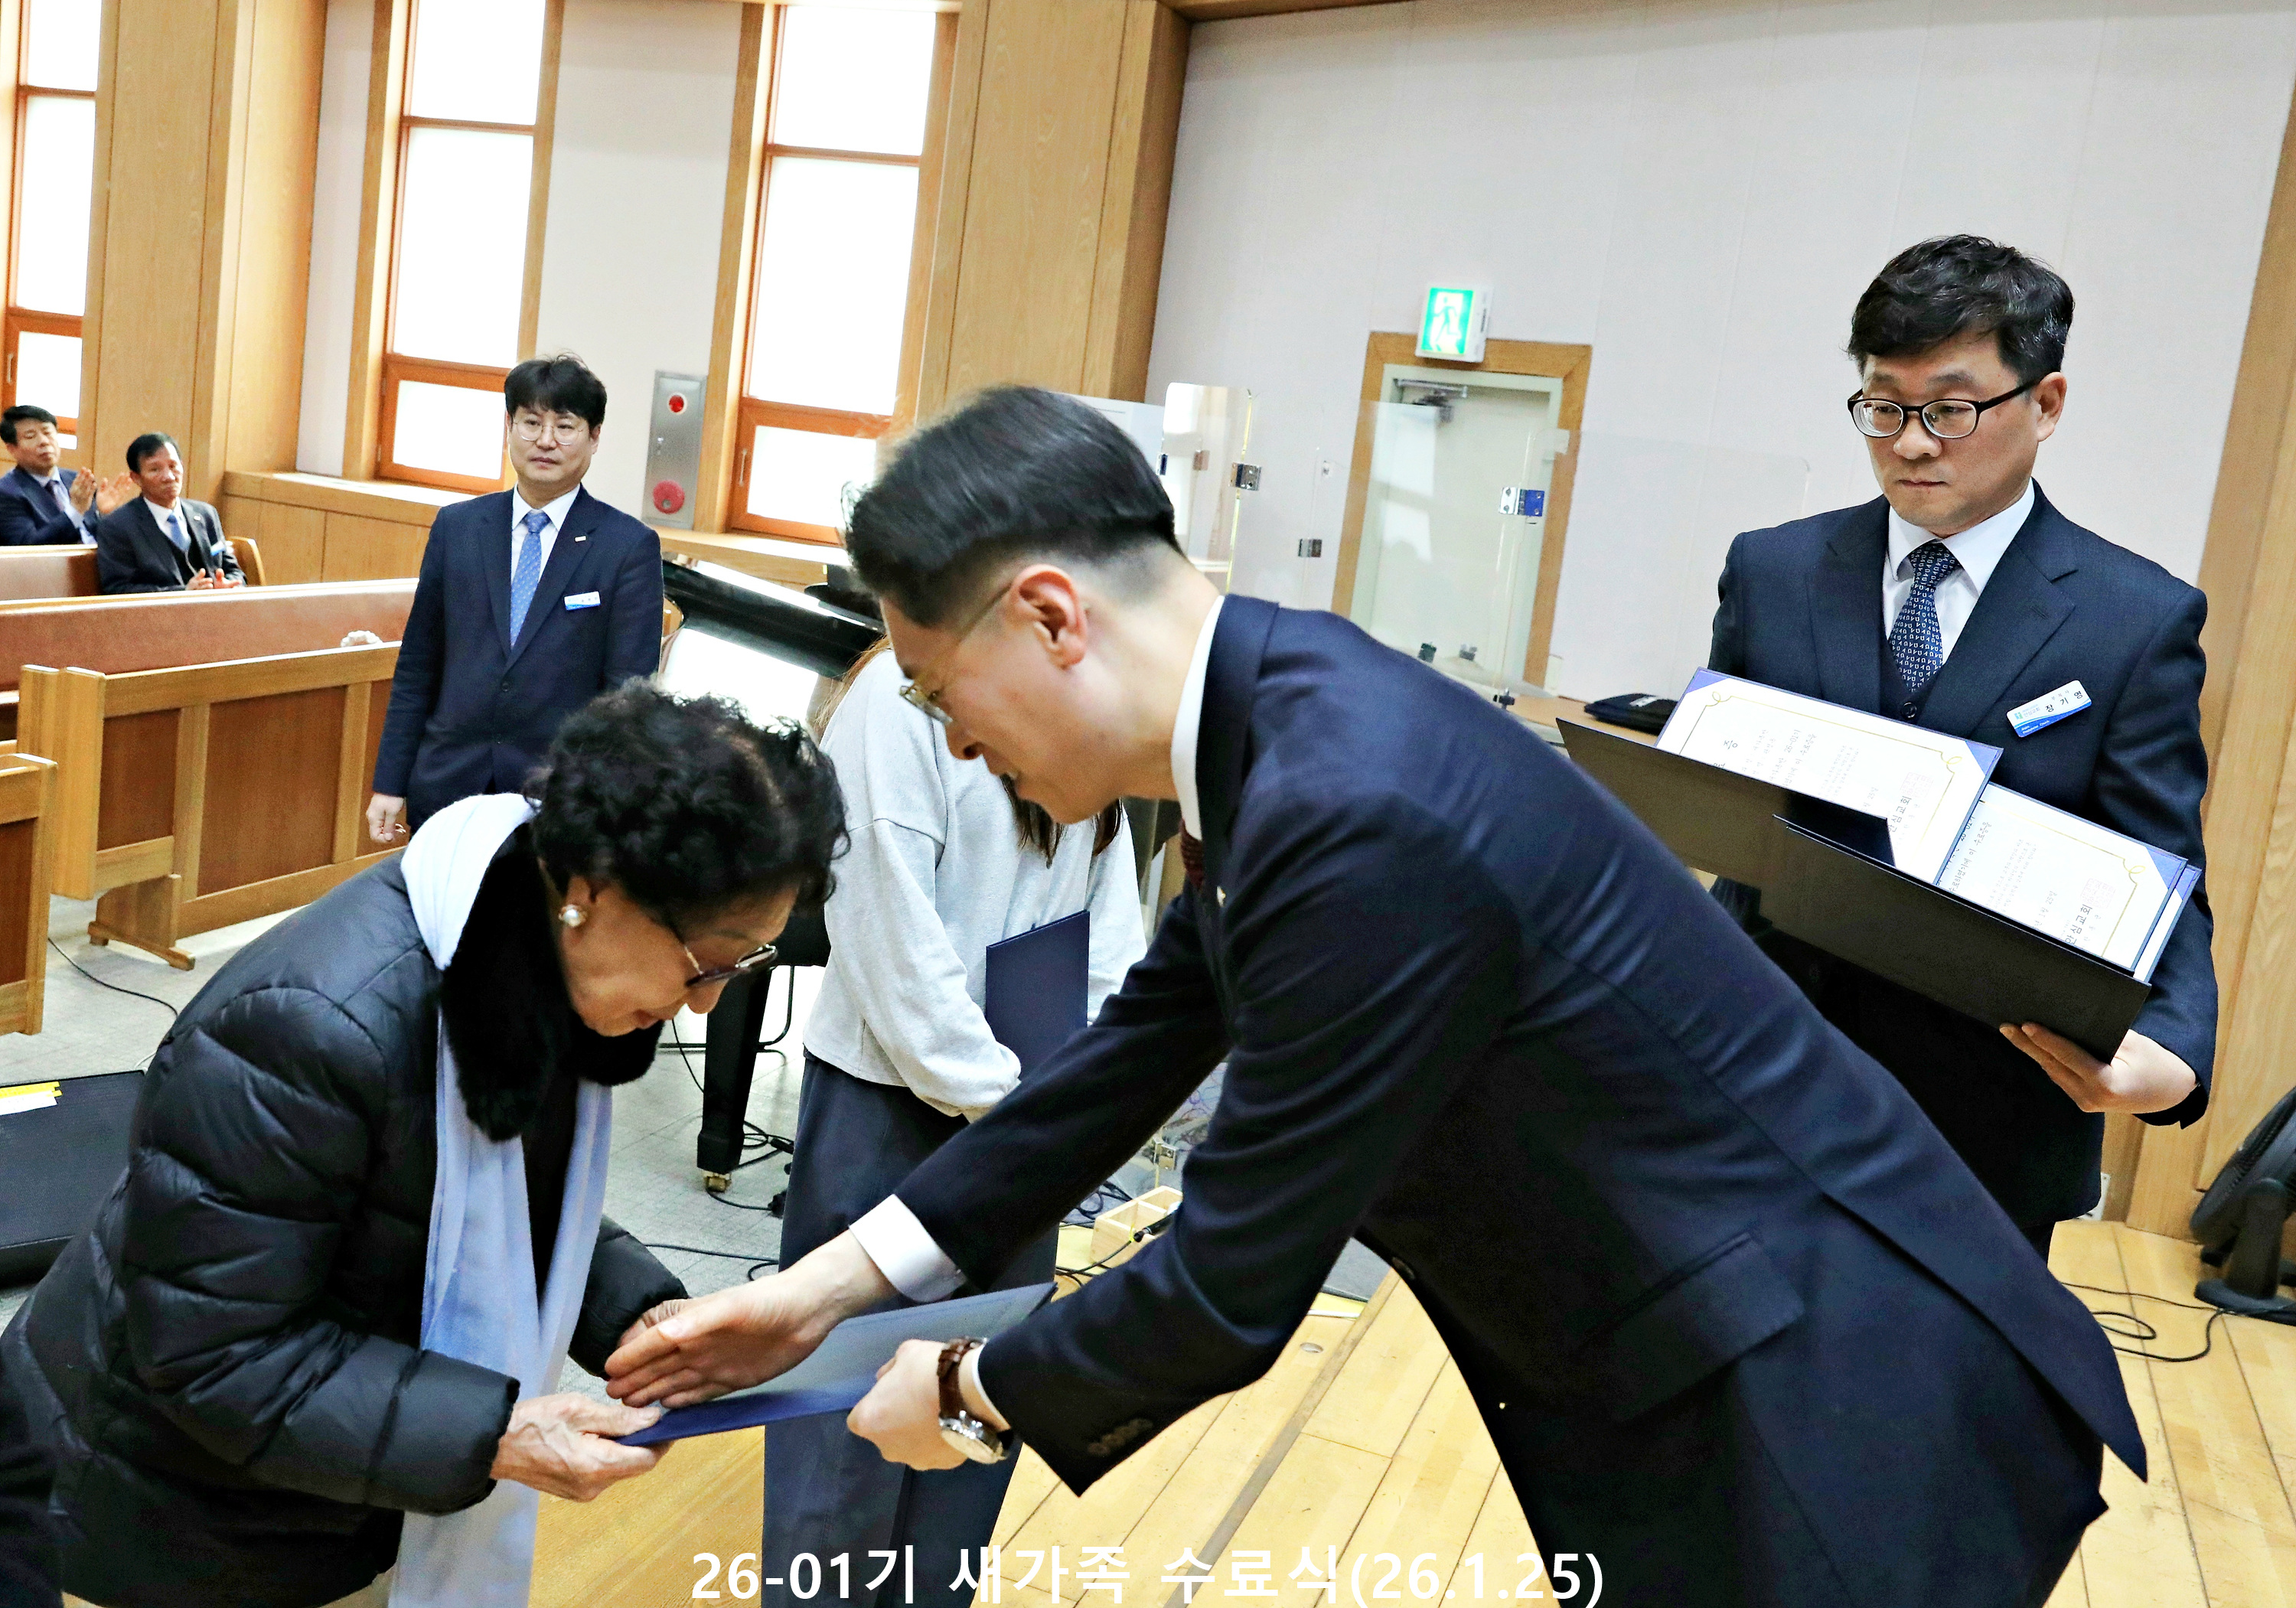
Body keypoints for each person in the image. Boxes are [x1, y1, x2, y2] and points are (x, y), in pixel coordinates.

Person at [608, 387, 2143, 1608]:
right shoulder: (1278, 719)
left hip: (1835, 1398)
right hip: (1728, 1356)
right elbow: (1134, 1053)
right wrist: (825, 1292)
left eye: (941, 693)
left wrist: (969, 1391)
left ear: (1053, 618)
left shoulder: (1351, 808)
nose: (949, 742)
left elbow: (1228, 1284)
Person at [0, 683, 848, 1608]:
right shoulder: (309, 1028)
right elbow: (216, 1357)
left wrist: (633, 1312)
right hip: (168, 1517)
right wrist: (493, 1436)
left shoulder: (523, 943)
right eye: (707, 963)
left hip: (334, 1484)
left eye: (742, 967)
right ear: (594, 891)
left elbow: (481, 1200)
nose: (708, 1003)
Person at [1704, 235, 2214, 1258]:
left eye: (1949, 409)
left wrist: (2172, 1049)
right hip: (1761, 1084)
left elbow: (2160, 869)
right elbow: (1732, 814)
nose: (1911, 444)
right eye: (1883, 407)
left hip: (1986, 1118)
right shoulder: (1774, 572)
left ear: (2047, 403)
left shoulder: (2133, 620)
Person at [758, 639, 1146, 1604]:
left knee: (971, 1428)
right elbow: (896, 956)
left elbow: (1114, 934)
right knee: (844, 1445)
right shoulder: (894, 702)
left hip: (1029, 1122)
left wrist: (1077, 1102)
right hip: (892, 1111)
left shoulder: (1076, 701)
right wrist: (1033, 1114)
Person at [368, 354, 662, 842]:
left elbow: (627, 698)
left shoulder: (627, 547)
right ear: (509, 427)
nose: (545, 441)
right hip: (448, 785)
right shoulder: (457, 528)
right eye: (531, 422)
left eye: (565, 426)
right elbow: (418, 666)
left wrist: (605, 807)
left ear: (594, 437)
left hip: (559, 801)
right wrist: (389, 781)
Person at [93, 432, 245, 592]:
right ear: (136, 478)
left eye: (173, 466)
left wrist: (228, 584)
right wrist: (182, 593)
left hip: (215, 606)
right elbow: (118, 589)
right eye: (155, 470)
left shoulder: (206, 514)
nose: (169, 477)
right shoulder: (117, 526)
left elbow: (234, 571)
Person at [0, 406, 131, 546]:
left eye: (48, 433)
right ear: (12, 449)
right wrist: (75, 510)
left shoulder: (76, 480)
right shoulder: (7, 492)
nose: (44, 441)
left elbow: (96, 536)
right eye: (30, 436)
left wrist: (103, 513)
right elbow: (27, 547)